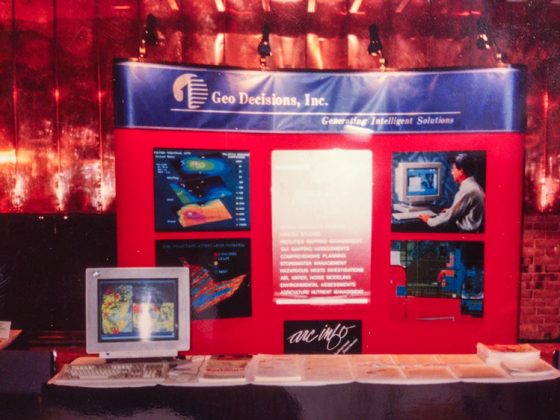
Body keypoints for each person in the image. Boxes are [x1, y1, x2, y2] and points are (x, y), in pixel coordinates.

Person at [418, 153, 485, 232]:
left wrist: (429, 220)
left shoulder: (467, 191)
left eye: (453, 169)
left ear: (461, 171)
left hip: (467, 236)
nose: (451, 172)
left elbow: (448, 218)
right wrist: (452, 210)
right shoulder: (474, 186)